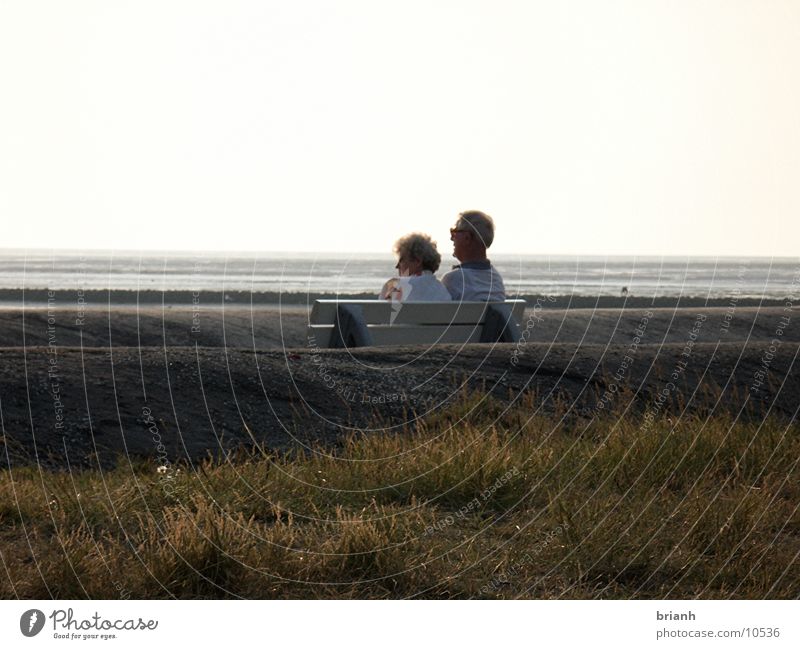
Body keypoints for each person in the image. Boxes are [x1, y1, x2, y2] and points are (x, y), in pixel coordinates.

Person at [441, 210, 506, 301]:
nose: (452, 238)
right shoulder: (496, 279)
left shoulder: (453, 280)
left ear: (467, 237)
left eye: (454, 232)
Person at [379, 233, 452, 302]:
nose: (397, 266)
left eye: (401, 260)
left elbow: (378, 313)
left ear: (417, 261)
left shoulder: (395, 285)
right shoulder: (442, 291)